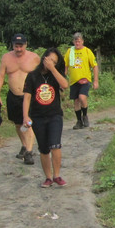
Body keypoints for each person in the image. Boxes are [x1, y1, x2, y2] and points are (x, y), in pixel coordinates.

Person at [23, 48, 69, 187]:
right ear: (44, 58)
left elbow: (65, 85)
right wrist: (25, 116)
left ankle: (57, 175)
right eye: (50, 60)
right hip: (38, 116)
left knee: (55, 145)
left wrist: (53, 69)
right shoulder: (32, 76)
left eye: (55, 62)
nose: (51, 63)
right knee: (43, 149)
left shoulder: (55, 74)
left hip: (54, 115)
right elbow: (27, 97)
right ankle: (48, 178)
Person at [0, 34, 40, 165]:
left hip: (29, 96)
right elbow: (1, 76)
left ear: (26, 45)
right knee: (18, 124)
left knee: (28, 123)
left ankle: (29, 152)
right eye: (16, 46)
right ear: (12, 45)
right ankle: (24, 145)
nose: (18, 49)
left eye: (21, 46)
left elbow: (42, 74)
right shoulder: (6, 58)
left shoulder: (34, 58)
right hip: (13, 96)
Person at [65, 32, 99, 129]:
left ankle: (85, 115)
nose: (77, 43)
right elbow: (65, 65)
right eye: (76, 41)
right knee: (76, 101)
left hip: (85, 80)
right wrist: (63, 78)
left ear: (82, 41)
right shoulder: (70, 51)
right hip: (73, 81)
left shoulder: (87, 51)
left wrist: (96, 81)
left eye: (79, 41)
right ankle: (79, 121)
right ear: (73, 42)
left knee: (82, 97)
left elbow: (95, 66)